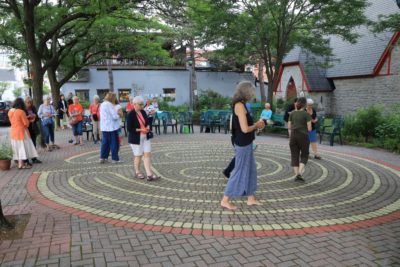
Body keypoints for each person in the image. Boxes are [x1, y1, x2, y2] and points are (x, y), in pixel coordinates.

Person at [221, 81, 265, 210]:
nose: (253, 94)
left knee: (251, 170)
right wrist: (256, 125)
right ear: (247, 92)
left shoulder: (243, 105)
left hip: (247, 142)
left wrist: (257, 125)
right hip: (243, 143)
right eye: (252, 91)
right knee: (239, 171)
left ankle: (251, 198)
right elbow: (245, 129)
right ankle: (225, 199)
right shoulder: (239, 106)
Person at [127, 96, 160, 181]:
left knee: (147, 154)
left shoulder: (143, 112)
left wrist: (148, 127)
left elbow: (147, 122)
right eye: (140, 104)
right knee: (138, 155)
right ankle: (137, 172)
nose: (142, 106)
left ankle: (149, 174)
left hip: (146, 136)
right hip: (136, 138)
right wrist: (141, 129)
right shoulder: (131, 114)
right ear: (134, 104)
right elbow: (130, 129)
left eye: (142, 104)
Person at [8, 98, 38, 169]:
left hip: (13, 131)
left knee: (17, 148)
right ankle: (21, 164)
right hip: (21, 132)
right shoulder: (21, 112)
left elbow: (12, 121)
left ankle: (20, 163)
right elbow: (26, 124)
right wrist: (30, 120)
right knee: (22, 148)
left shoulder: (10, 111)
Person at [288, 97, 312, 182]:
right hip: (303, 136)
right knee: (305, 154)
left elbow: (289, 127)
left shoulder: (292, 113)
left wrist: (291, 135)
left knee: (294, 155)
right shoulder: (306, 114)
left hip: (293, 136)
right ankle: (299, 174)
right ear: (305, 104)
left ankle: (297, 175)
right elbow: (309, 129)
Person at [99, 92, 122, 164]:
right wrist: (118, 115)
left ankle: (103, 157)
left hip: (104, 127)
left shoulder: (102, 104)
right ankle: (115, 159)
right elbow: (114, 116)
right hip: (111, 127)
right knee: (114, 143)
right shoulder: (109, 105)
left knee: (105, 143)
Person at [24, 96, 41, 164]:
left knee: (33, 143)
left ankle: (34, 158)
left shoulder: (33, 108)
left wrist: (35, 117)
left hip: (33, 128)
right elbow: (22, 119)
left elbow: (37, 117)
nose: (29, 104)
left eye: (30, 102)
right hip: (26, 129)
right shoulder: (23, 109)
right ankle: (26, 160)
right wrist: (28, 118)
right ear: (25, 102)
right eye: (28, 102)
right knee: (26, 144)